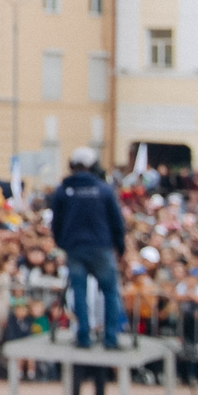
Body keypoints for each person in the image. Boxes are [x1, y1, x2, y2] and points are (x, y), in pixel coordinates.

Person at [48, 145, 125, 351]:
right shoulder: (104, 190)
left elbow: (56, 222)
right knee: (109, 292)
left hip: (75, 247)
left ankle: (83, 336)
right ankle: (110, 338)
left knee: (79, 291)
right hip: (101, 247)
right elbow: (116, 221)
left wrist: (61, 242)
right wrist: (121, 247)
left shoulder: (64, 190)